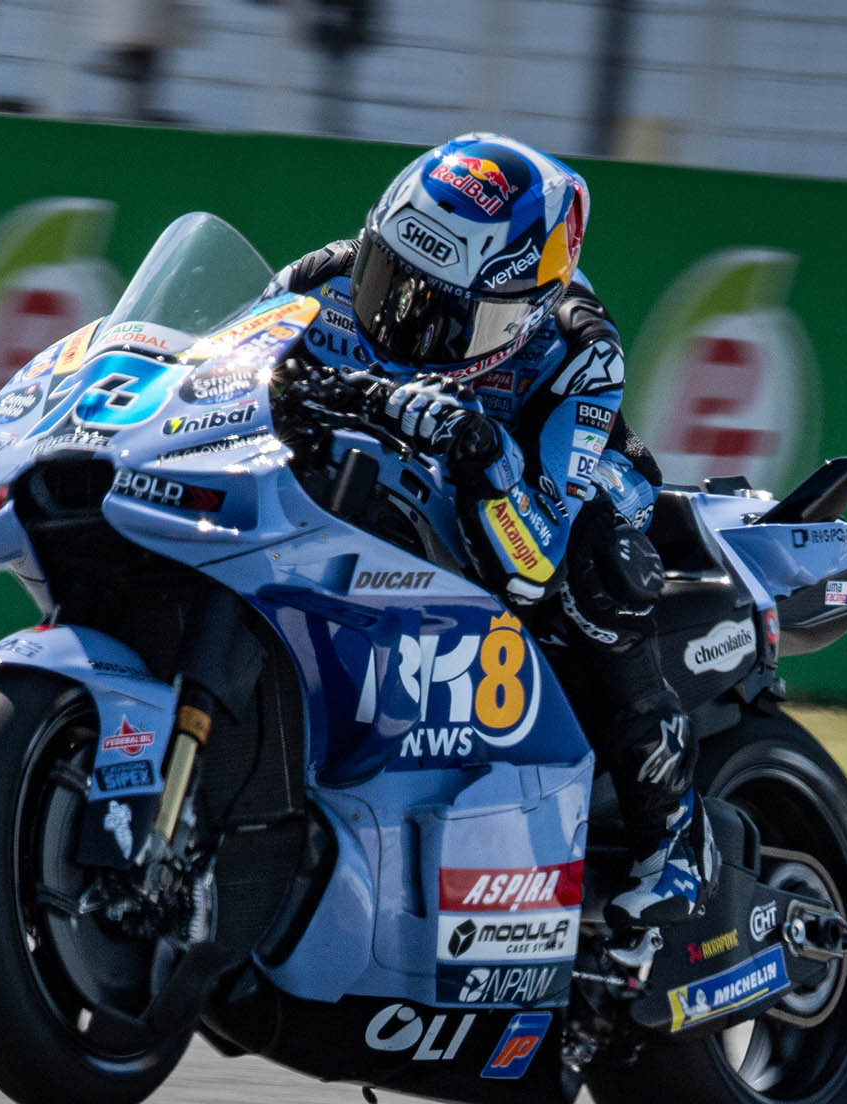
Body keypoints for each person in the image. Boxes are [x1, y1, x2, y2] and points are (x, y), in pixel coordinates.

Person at [267, 131, 715, 928]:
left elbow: (532, 562)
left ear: (521, 312)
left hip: (560, 487)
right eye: (390, 285)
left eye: (442, 316)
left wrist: (482, 452)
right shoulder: (324, 277)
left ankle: (673, 839)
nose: (402, 328)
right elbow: (221, 378)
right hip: (387, 477)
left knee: (593, 571)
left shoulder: (578, 348)